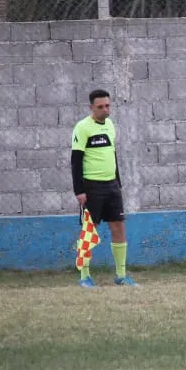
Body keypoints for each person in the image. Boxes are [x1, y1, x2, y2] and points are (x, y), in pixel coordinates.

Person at [71, 89, 137, 287]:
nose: (105, 110)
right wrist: (79, 191)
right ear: (91, 107)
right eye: (100, 107)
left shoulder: (109, 125)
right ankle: (84, 277)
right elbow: (75, 161)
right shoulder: (82, 128)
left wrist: (118, 182)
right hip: (91, 187)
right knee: (89, 231)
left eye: (107, 106)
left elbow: (112, 154)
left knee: (118, 227)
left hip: (112, 186)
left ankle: (121, 275)